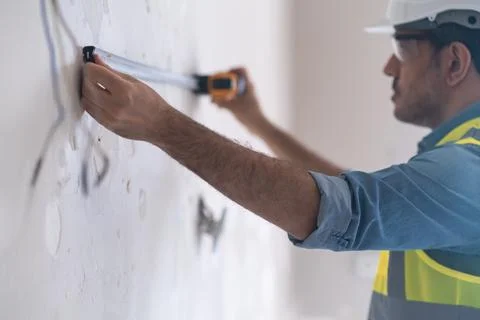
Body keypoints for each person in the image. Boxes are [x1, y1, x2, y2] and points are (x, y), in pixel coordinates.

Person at [81, 0, 480, 318]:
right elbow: (352, 195)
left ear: (454, 62)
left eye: (402, 47)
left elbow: (340, 212)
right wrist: (257, 122)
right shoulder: (460, 160)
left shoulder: (468, 172)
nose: (389, 66)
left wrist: (162, 125)